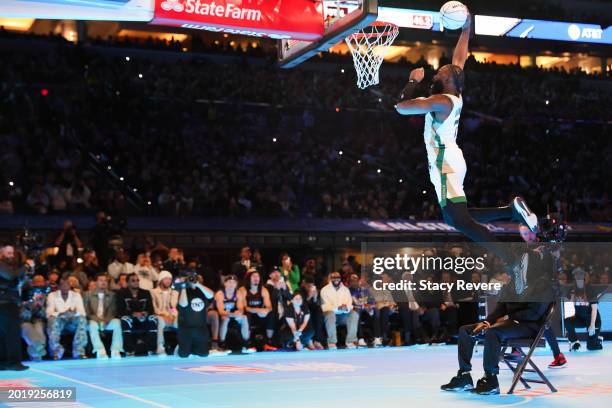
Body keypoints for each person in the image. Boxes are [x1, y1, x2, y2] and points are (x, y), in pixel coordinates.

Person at [394, 9, 538, 270]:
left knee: (460, 221)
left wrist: (412, 81)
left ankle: (513, 260)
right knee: (457, 218)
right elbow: (460, 58)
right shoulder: (453, 93)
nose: (436, 74)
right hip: (450, 160)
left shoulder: (440, 101)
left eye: (440, 73)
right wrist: (465, 29)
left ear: (448, 79)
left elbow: (402, 107)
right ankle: (511, 210)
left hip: (445, 163)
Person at [441, 272, 553, 395]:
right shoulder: (512, 284)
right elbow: (500, 309)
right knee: (465, 331)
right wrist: (486, 322)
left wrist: (507, 317)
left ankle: (491, 380)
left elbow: (535, 313)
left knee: (493, 332)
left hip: (529, 327)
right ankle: (464, 376)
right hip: (510, 324)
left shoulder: (542, 283)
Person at [518, 224, 567, 368]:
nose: (527, 236)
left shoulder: (544, 247)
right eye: (524, 234)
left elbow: (553, 268)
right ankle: (558, 355)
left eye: (529, 233)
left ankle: (515, 349)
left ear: (534, 231)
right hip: (532, 291)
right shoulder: (524, 249)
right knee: (544, 324)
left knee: (525, 316)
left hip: (543, 292)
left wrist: (555, 257)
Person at [0, 244, 28, 370]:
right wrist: (25, 266)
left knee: (6, 333)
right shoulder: (2, 265)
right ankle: (12, 362)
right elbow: (10, 275)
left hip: (8, 302)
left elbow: (15, 280)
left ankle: (5, 362)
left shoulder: (11, 266)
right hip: (5, 303)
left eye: (12, 253)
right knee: (11, 333)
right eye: (8, 253)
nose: (11, 256)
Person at [45, 276, 88, 360]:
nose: (65, 286)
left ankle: (79, 351)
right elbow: (49, 313)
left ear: (70, 285)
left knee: (82, 319)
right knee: (52, 319)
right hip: (59, 321)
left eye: (67, 284)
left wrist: (73, 313)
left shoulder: (76, 295)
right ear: (58, 286)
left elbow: (82, 312)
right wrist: (62, 313)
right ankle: (56, 351)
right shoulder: (52, 295)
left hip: (72, 321)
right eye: (62, 284)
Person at [116, 273, 158, 355]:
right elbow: (120, 310)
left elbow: (151, 309)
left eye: (137, 280)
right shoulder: (121, 293)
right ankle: (129, 350)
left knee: (153, 318)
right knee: (125, 320)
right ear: (127, 282)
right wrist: (133, 314)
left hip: (143, 317)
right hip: (130, 317)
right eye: (133, 280)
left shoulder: (145, 292)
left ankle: (151, 349)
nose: (136, 282)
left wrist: (145, 313)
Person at [83, 273, 123, 358]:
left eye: (105, 280)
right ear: (96, 282)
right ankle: (100, 350)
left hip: (107, 321)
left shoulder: (112, 295)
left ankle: (116, 350)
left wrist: (105, 321)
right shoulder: (88, 294)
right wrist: (98, 320)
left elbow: (113, 311)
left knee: (117, 322)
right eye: (101, 280)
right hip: (94, 320)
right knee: (92, 325)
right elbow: (87, 312)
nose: (103, 282)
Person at [176, 272, 215, 357]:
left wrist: (198, 284)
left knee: (204, 354)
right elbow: (183, 304)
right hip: (186, 329)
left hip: (200, 329)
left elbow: (211, 295)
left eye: (195, 278)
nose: (192, 280)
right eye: (190, 279)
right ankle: (181, 347)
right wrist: (183, 287)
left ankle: (193, 349)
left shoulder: (202, 291)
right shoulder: (183, 291)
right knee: (183, 355)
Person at [238, 269, 276, 350]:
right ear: (248, 278)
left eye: (258, 276)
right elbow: (245, 307)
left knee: (271, 313)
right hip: (249, 313)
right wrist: (258, 310)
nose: (256, 278)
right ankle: (247, 343)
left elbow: (269, 307)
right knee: (246, 315)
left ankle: (269, 341)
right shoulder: (243, 290)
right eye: (254, 276)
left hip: (260, 314)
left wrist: (265, 310)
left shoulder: (263, 290)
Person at [565, 269, 602, 351]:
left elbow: (594, 309)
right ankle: (575, 342)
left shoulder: (590, 289)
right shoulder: (572, 289)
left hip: (592, 319)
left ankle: (598, 340)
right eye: (576, 275)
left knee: (591, 347)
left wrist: (592, 325)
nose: (578, 278)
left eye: (581, 275)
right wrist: (571, 298)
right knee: (566, 321)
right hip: (580, 318)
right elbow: (569, 308)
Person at [320, 271, 359, 349]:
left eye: (338, 277)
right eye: (334, 277)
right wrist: (337, 308)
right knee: (330, 314)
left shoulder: (345, 290)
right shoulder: (324, 290)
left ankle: (350, 341)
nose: (336, 279)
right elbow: (324, 307)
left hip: (343, 315)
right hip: (330, 315)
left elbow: (349, 304)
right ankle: (332, 342)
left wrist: (346, 308)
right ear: (330, 279)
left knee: (354, 314)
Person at [215, 275, 252, 353]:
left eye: (234, 282)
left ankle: (245, 343)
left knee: (244, 317)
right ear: (225, 283)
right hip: (222, 315)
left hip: (233, 314)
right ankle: (222, 343)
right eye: (229, 282)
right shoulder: (220, 293)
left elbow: (241, 308)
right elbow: (221, 311)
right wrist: (232, 314)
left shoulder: (238, 293)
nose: (231, 284)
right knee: (226, 319)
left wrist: (238, 312)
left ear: (236, 284)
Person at [348, 273, 382, 347]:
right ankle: (360, 339)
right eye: (352, 280)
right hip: (356, 311)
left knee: (376, 310)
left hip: (367, 312)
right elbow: (348, 304)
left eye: (355, 280)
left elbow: (373, 302)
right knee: (357, 311)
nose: (354, 282)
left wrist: (370, 306)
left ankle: (377, 338)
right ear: (350, 282)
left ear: (358, 281)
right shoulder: (347, 291)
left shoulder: (365, 290)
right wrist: (359, 306)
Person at [21, 274, 48, 361]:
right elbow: (22, 315)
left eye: (41, 282)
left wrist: (40, 307)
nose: (39, 284)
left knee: (39, 328)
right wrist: (29, 307)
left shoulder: (47, 296)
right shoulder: (25, 293)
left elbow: (46, 315)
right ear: (32, 283)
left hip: (38, 320)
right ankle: (38, 350)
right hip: (24, 321)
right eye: (37, 282)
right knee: (26, 327)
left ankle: (35, 353)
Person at [151, 270, 179, 355]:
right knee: (161, 321)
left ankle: (181, 346)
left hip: (172, 316)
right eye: (166, 279)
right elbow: (154, 307)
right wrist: (164, 315)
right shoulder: (153, 292)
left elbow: (174, 308)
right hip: (159, 315)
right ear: (160, 280)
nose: (168, 281)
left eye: (170, 279)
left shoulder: (175, 292)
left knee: (180, 321)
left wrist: (173, 316)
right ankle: (160, 346)